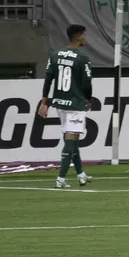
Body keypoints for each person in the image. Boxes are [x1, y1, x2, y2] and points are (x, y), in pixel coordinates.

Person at [38, 24, 93, 188]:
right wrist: (88, 99)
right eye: (85, 35)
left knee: (73, 140)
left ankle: (81, 174)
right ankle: (60, 179)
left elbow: (48, 79)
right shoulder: (82, 58)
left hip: (60, 103)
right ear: (79, 37)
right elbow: (87, 83)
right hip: (75, 104)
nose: (86, 38)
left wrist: (44, 102)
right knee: (70, 142)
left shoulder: (55, 55)